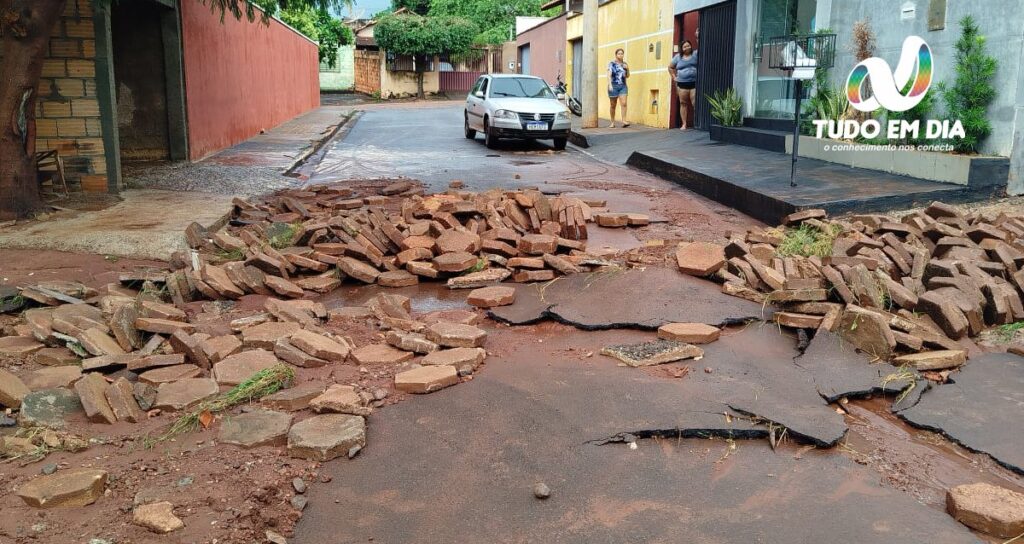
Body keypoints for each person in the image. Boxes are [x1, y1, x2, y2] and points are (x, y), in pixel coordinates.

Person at [669, 39, 698, 130]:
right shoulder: (678, 57)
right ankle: (684, 124)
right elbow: (670, 67)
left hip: (694, 83)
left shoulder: (695, 54)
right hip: (682, 84)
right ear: (682, 48)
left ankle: (697, 123)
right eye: (685, 46)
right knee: (683, 103)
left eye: (688, 45)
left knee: (695, 103)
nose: (687, 47)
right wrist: (674, 77)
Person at [607, 48, 630, 128]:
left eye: (622, 53)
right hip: (613, 86)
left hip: (623, 86)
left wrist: (627, 69)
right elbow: (609, 75)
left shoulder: (625, 64)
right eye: (619, 53)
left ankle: (624, 120)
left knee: (624, 103)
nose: (621, 55)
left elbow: (627, 76)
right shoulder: (611, 64)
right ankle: (612, 122)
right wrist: (609, 85)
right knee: (613, 105)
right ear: (616, 55)